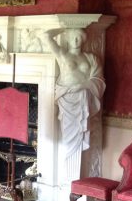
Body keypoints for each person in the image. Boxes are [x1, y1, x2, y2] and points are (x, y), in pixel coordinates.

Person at [43, 28, 105, 177]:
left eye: (79, 37)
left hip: (83, 100)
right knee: (69, 139)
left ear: (84, 39)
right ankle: (69, 183)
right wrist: (64, 28)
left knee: (81, 134)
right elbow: (45, 36)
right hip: (67, 100)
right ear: (68, 39)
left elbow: (99, 80)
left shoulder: (90, 58)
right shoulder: (62, 55)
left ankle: (75, 186)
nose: (76, 40)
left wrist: (83, 85)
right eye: (73, 37)